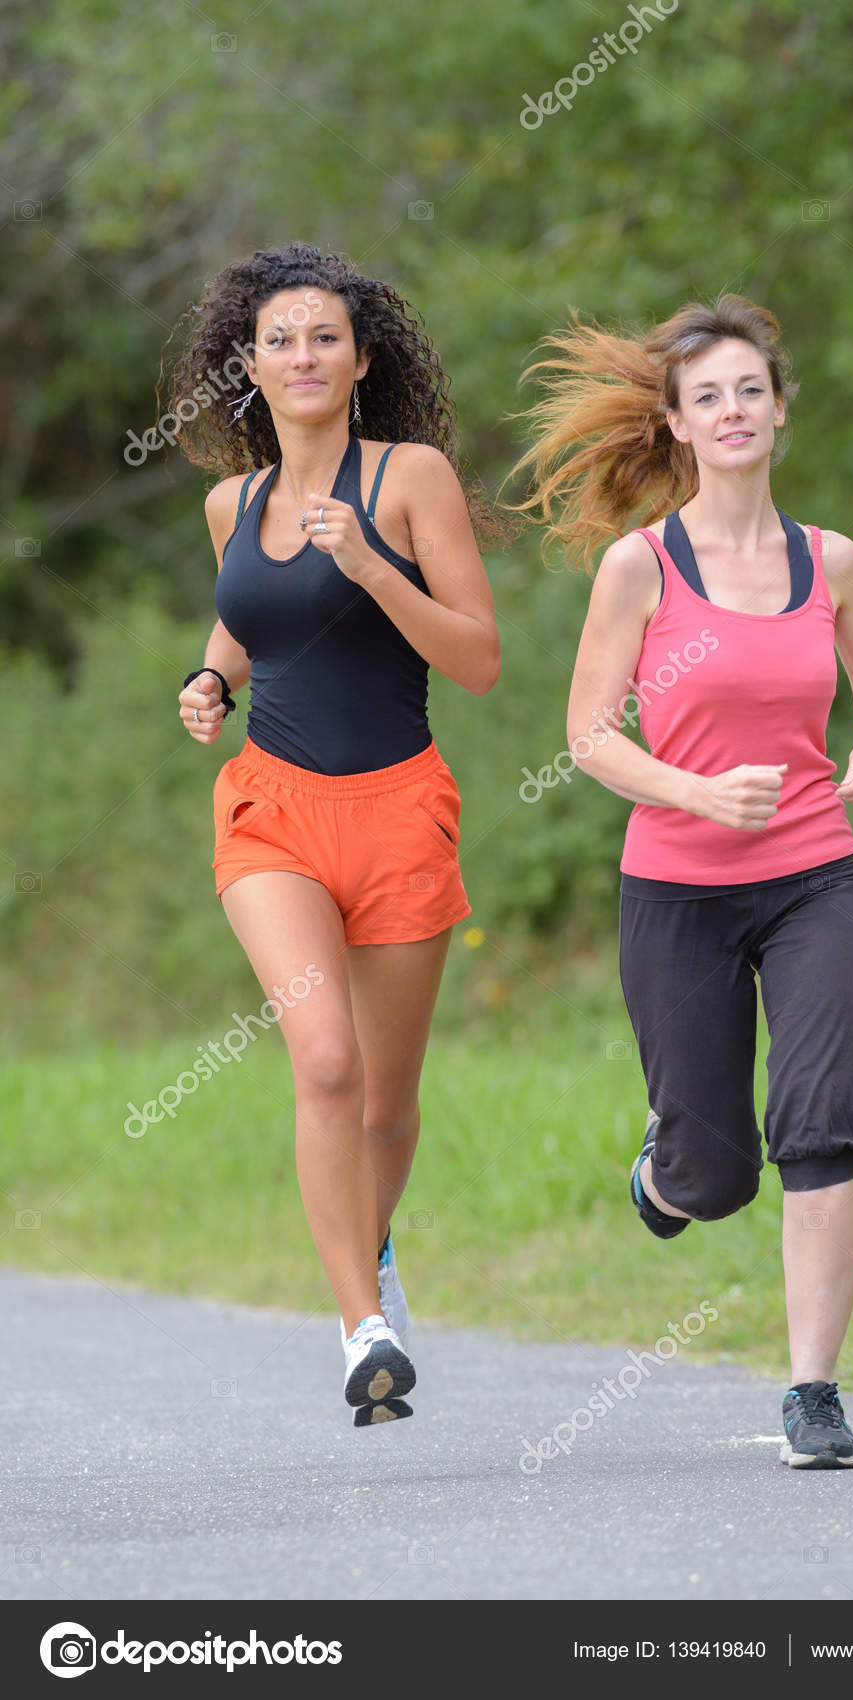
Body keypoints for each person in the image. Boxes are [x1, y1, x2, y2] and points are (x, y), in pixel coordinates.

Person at [509, 292, 853, 1467]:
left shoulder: (829, 560)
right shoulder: (642, 568)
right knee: (718, 1173)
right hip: (677, 886)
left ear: (781, 411)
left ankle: (813, 1393)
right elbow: (587, 734)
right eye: (707, 396)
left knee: (824, 1126)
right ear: (677, 426)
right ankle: (671, 1167)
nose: (733, 410)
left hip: (813, 877)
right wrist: (691, 791)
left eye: (751, 389)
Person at [166, 242, 500, 1426]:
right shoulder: (233, 504)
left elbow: (477, 657)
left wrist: (371, 565)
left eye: (323, 336)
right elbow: (253, 628)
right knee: (324, 1059)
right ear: (245, 368)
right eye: (278, 340)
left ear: (362, 358)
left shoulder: (408, 478)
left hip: (402, 806)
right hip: (274, 814)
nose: (302, 355)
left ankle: (376, 1247)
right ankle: (361, 1323)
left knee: (384, 1107)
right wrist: (210, 681)